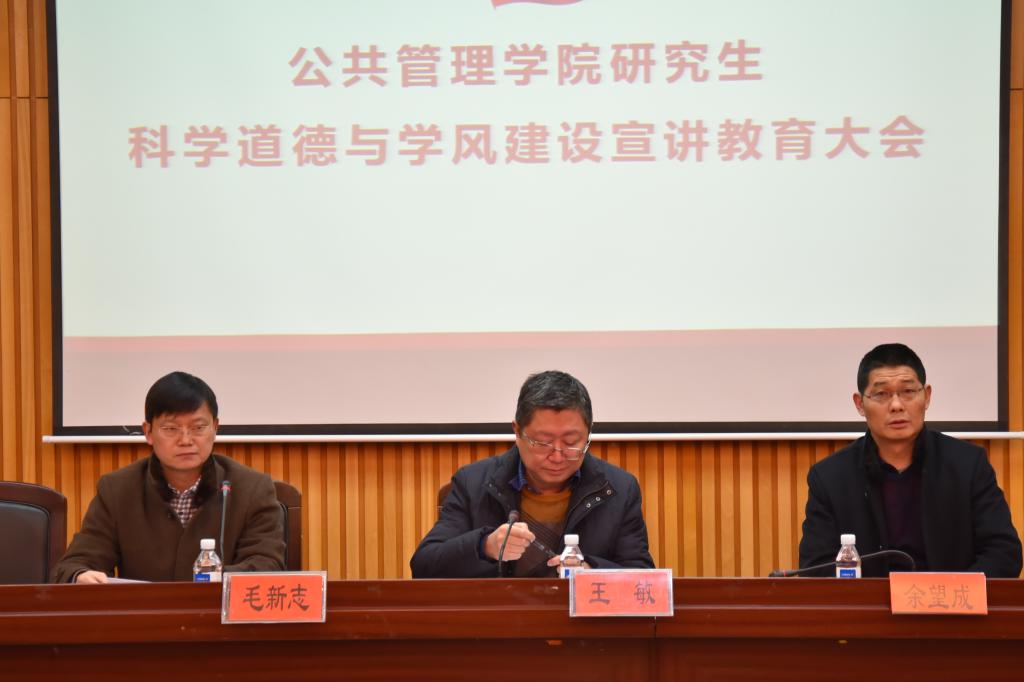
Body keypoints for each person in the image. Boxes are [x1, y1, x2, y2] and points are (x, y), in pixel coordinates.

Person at [799, 343, 1022, 577]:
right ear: (859, 404)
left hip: (948, 599)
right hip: (868, 601)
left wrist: (952, 592)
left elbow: (1003, 553)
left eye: (908, 391)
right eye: (881, 394)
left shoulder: (968, 466)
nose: (896, 405)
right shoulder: (830, 477)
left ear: (927, 397)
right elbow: (816, 567)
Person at [410, 370, 654, 578]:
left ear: (589, 433)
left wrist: (591, 571)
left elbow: (642, 576)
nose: (557, 456)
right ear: (517, 432)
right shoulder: (473, 483)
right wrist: (485, 546)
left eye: (571, 442)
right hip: (500, 617)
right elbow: (424, 565)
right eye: (542, 442)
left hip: (580, 619)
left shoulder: (618, 489)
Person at [53, 371, 285, 583]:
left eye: (198, 427)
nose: (186, 440)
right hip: (146, 615)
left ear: (215, 428)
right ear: (148, 432)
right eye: (171, 429)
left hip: (220, 615)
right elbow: (73, 565)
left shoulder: (252, 488)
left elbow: (267, 564)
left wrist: (213, 581)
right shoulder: (117, 490)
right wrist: (80, 576)